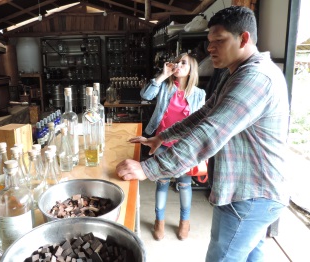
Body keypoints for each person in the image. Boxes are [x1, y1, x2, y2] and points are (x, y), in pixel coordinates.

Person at [117, 6, 290, 261]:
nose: (210, 48)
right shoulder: (235, 75)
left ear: (244, 38)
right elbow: (202, 115)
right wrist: (162, 137)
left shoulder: (256, 78)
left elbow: (211, 131)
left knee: (223, 257)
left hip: (250, 194)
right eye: (209, 42)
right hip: (252, 191)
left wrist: (149, 169)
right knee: (252, 254)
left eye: (218, 41)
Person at [136, 53, 205, 241]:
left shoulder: (199, 94)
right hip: (162, 143)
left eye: (184, 63)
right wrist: (162, 75)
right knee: (162, 183)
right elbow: (145, 95)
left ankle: (185, 222)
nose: (179, 65)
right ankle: (159, 222)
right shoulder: (166, 88)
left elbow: (202, 124)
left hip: (185, 148)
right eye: (177, 61)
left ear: (192, 69)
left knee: (184, 185)